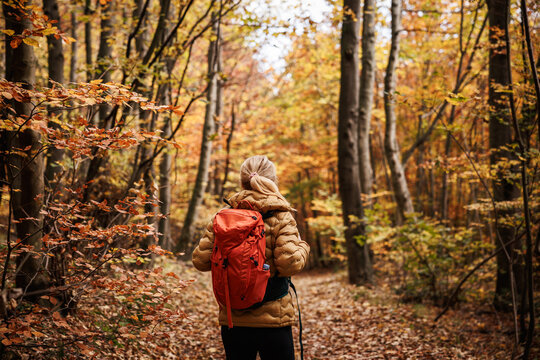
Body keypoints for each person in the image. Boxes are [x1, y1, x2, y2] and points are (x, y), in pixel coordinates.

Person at [192, 155, 310, 360]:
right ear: (273, 181)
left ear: (242, 181)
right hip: (274, 321)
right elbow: (290, 264)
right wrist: (303, 246)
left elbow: (200, 261)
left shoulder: (222, 217)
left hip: (234, 320)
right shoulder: (282, 216)